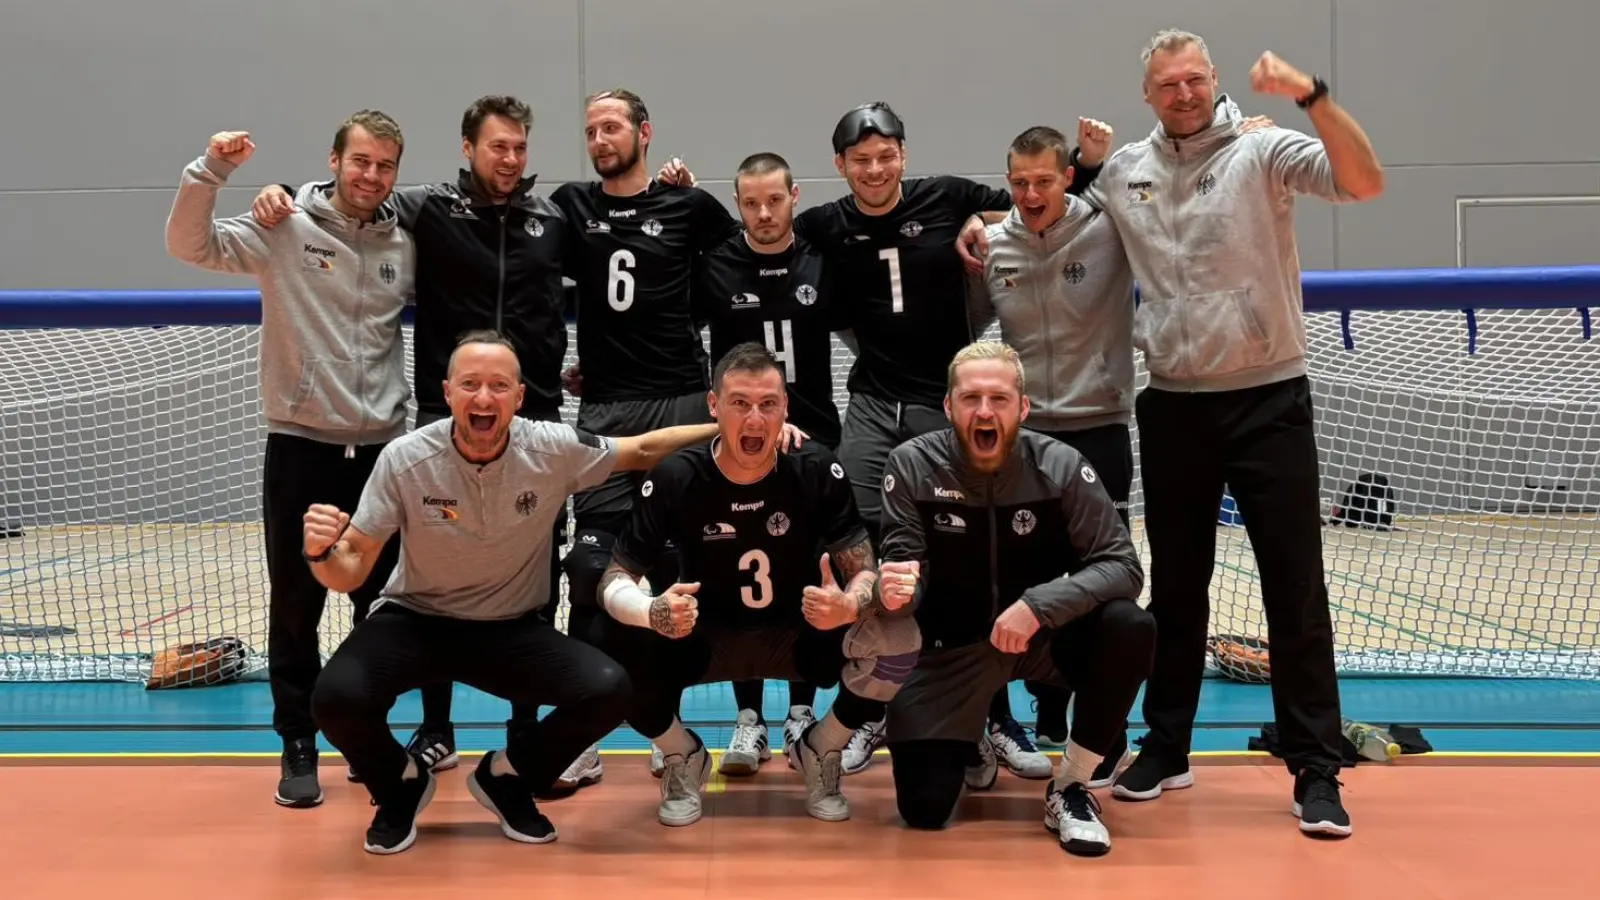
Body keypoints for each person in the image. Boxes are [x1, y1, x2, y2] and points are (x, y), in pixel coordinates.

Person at [961, 30, 1384, 838]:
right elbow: (1049, 219)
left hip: (1269, 398)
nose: (1183, 94)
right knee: (1176, 591)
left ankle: (1316, 768)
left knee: (1294, 589)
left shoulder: (1266, 152)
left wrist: (1312, 95)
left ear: (1215, 82)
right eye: (1167, 84)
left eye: (1194, 80)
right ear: (1148, 95)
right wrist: (981, 225)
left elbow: (1362, 182)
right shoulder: (1126, 173)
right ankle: (1167, 747)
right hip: (1174, 404)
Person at [659, 103, 1112, 775]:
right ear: (839, 167)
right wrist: (686, 198)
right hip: (872, 404)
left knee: (968, 546)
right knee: (862, 553)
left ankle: (992, 717)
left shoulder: (949, 195)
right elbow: (756, 228)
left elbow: (1032, 204)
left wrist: (995, 210)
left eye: (885, 155)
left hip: (943, 405)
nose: (874, 168)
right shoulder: (820, 226)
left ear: (903, 154)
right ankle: (871, 709)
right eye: (859, 159)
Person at [248, 95, 572, 776]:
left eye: (519, 147)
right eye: (496, 147)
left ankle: (528, 731)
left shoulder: (554, 217)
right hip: (440, 421)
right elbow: (351, 199)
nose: (510, 159)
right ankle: (432, 729)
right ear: (467, 149)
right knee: (430, 583)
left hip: (537, 422)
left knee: (537, 579)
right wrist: (279, 190)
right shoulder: (422, 209)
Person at [303, 330, 719, 855]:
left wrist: (728, 423)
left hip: (509, 629)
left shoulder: (551, 448)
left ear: (519, 398)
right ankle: (399, 785)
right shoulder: (404, 459)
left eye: (498, 385)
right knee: (333, 698)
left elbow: (641, 449)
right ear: (448, 392)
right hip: (415, 618)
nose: (483, 398)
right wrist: (321, 554)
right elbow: (352, 568)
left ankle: (507, 777)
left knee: (610, 687)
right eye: (470, 385)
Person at [164, 113, 414, 810]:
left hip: (383, 451)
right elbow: (189, 244)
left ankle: (366, 733)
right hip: (301, 444)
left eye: (385, 165)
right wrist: (211, 171)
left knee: (381, 603)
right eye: (360, 160)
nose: (371, 175)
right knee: (297, 604)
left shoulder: (406, 240)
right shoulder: (284, 226)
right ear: (335, 159)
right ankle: (297, 740)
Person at [590, 342, 922, 826]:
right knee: (604, 645)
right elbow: (614, 579)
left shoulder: (815, 468)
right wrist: (650, 610)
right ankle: (683, 754)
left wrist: (848, 606)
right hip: (705, 637)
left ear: (786, 407)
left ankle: (821, 748)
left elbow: (864, 569)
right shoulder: (676, 476)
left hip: (800, 634)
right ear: (713, 407)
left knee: (898, 637)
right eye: (740, 403)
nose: (755, 419)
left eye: (768, 404)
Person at [879, 341, 1153, 857]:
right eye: (971, 398)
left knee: (1131, 626)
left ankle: (1069, 786)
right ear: (949, 407)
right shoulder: (912, 465)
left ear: (1022, 408)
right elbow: (900, 565)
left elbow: (1123, 566)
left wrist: (1038, 605)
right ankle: (968, 732)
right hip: (949, 650)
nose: (985, 411)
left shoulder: (1063, 466)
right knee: (924, 810)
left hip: (1042, 638)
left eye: (999, 399)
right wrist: (890, 589)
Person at [546, 87, 747, 792]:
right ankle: (580, 731)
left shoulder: (688, 207)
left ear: (645, 132)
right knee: (589, 569)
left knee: (677, 558)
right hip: (603, 409)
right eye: (592, 129)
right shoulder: (572, 206)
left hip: (681, 401)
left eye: (613, 126)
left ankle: (670, 729)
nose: (601, 138)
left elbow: (749, 264)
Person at [964, 124, 1139, 786]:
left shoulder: (1107, 225)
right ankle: (1013, 721)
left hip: (1099, 426)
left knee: (1096, 578)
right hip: (1022, 437)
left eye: (1044, 179)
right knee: (1013, 574)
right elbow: (964, 324)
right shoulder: (992, 245)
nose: (1031, 193)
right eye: (1019, 182)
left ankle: (1099, 729)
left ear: (1067, 176)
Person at [687, 151, 855, 775]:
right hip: (742, 443)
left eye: (774, 200)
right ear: (737, 205)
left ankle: (802, 712)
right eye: (750, 202)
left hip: (813, 441)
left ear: (793, 198)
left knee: (808, 568)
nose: (763, 213)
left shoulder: (821, 257)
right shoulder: (716, 267)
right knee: (739, 567)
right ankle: (749, 718)